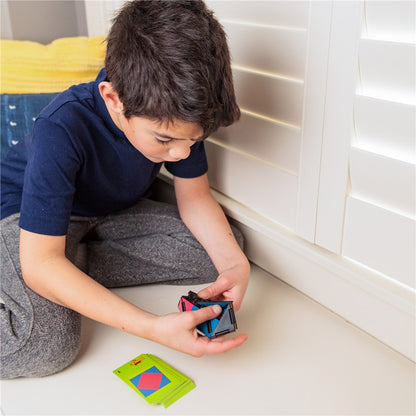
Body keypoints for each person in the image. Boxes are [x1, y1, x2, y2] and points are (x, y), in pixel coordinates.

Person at [0, 0, 250, 379]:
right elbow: (40, 260)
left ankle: (64, 270)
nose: (181, 152)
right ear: (113, 99)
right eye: (165, 139)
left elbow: (196, 199)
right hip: (24, 219)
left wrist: (235, 268)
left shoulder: (176, 111)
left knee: (223, 247)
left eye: (193, 140)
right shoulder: (62, 125)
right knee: (46, 346)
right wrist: (151, 328)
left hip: (106, 215)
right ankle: (44, 267)